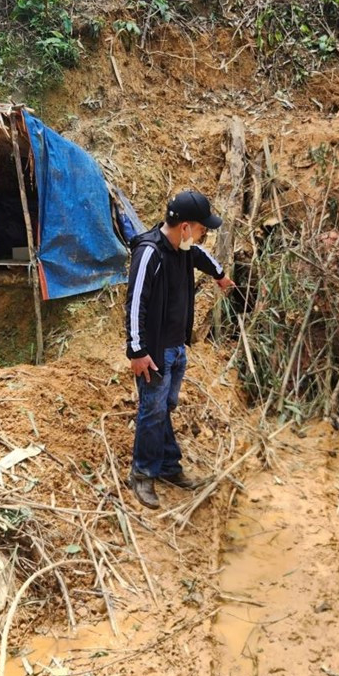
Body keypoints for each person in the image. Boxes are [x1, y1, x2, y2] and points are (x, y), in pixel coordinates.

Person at [124, 190, 236, 509]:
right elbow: (135, 305)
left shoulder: (183, 248)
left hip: (176, 347)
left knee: (165, 406)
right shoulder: (149, 253)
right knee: (152, 409)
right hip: (154, 352)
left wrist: (221, 276)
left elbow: (202, 257)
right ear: (185, 226)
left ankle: (169, 466)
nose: (204, 234)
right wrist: (136, 351)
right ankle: (143, 474)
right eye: (202, 228)